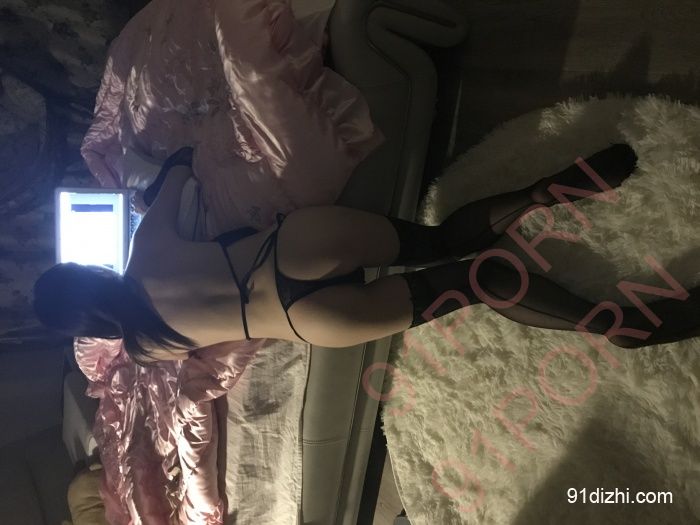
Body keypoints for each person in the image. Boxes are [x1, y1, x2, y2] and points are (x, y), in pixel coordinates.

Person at [33, 144, 700, 364]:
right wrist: (156, 186)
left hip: (308, 321)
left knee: (473, 280)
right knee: (440, 240)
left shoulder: (145, 349)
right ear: (91, 270)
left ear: (88, 326)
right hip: (298, 245)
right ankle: (540, 192)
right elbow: (179, 170)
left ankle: (612, 325)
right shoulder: (145, 249)